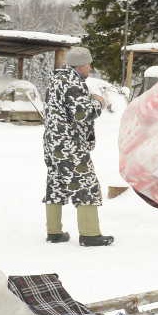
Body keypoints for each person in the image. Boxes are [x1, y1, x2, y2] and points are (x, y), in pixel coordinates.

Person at [44, 46, 113, 246]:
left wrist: (88, 98)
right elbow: (81, 114)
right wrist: (100, 103)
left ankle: (54, 232)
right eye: (89, 64)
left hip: (53, 142)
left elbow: (66, 105)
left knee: (56, 183)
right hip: (69, 143)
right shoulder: (73, 83)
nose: (90, 68)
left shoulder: (58, 80)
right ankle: (90, 234)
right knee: (86, 184)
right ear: (81, 65)